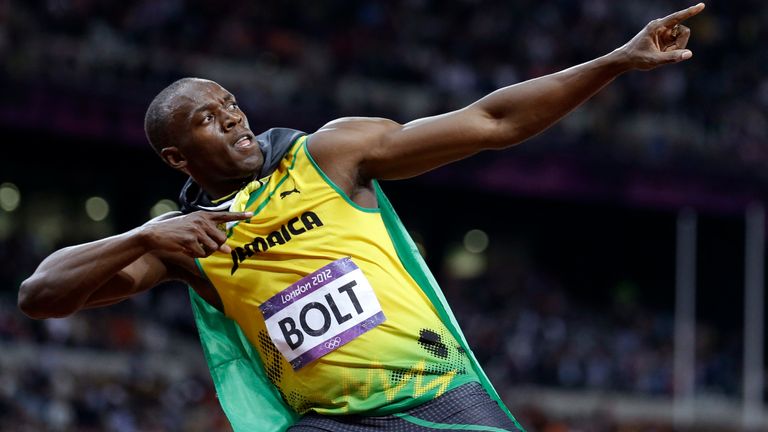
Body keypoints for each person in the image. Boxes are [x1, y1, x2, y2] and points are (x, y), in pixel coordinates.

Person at [19, 4, 704, 431]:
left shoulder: (328, 154)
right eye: (206, 116)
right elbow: (40, 296)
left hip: (440, 400)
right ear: (177, 155)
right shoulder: (181, 244)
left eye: (228, 100)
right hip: (331, 422)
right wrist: (142, 233)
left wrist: (614, 62)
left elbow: (491, 121)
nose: (230, 115)